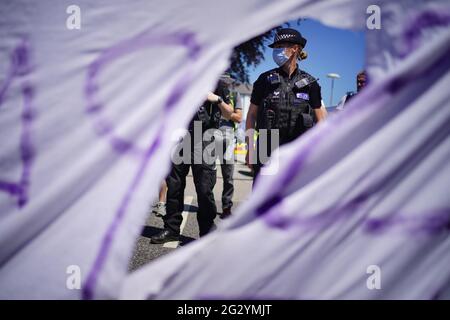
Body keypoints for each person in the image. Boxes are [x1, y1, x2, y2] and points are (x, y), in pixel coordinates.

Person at [151, 80, 234, 244]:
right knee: (174, 185)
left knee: (204, 188)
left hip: (205, 138)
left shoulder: (219, 84)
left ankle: (207, 230)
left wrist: (217, 99)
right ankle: (171, 229)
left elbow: (229, 113)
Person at [245, 28, 325, 181]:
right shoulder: (264, 79)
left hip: (297, 148)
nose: (276, 51)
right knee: (262, 198)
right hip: (266, 145)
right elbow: (251, 115)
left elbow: (321, 121)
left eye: (280, 47)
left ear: (294, 49)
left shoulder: (311, 83)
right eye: (275, 48)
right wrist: (250, 149)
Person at [217, 89, 242, 219]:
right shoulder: (208, 90)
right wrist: (228, 111)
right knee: (206, 176)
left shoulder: (234, 93)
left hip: (227, 139)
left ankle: (227, 207)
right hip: (206, 136)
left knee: (228, 176)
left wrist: (222, 110)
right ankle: (206, 206)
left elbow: (239, 118)